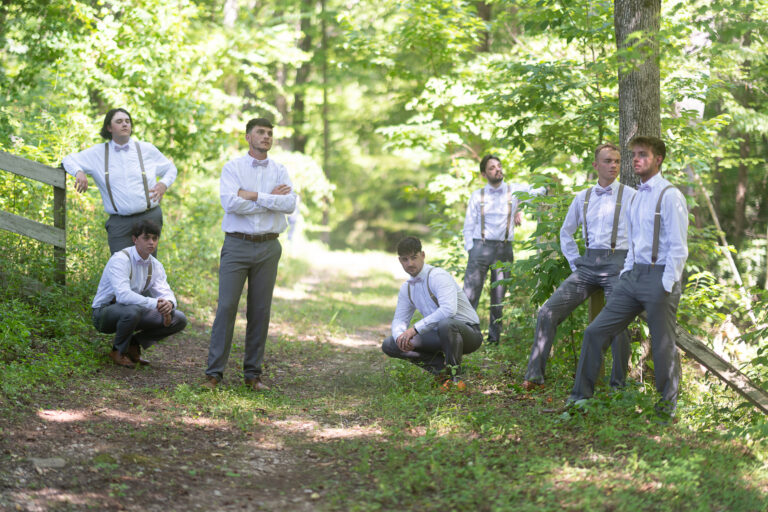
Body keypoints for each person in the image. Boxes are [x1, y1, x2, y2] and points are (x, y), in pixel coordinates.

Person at [568, 136, 688, 422]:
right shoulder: (636, 196)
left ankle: (665, 411)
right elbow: (634, 243)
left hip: (660, 277)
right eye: (633, 154)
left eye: (642, 154)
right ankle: (580, 399)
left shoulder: (670, 195)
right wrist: (625, 276)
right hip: (632, 277)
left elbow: (678, 247)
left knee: (662, 346)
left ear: (658, 159)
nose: (635, 159)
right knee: (595, 332)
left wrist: (666, 284)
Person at [523, 143, 635, 390]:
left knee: (619, 322)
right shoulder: (583, 197)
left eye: (616, 161)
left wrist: (628, 267)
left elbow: (642, 235)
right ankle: (534, 377)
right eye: (607, 161)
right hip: (587, 265)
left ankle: (618, 386)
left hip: (618, 265)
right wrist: (575, 263)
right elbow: (566, 232)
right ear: (596, 165)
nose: (613, 165)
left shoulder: (631, 196)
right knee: (547, 312)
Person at [203, 118, 296, 391]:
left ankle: (252, 375)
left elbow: (289, 204)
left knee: (260, 311)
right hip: (236, 245)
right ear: (248, 137)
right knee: (227, 307)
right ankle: (214, 373)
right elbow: (230, 203)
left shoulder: (280, 169)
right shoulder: (232, 168)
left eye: (269, 133)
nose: (266, 137)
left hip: (269, 247)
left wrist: (254, 196)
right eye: (260, 132)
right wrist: (269, 199)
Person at [62, 108, 178, 254]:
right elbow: (68, 160)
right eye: (119, 121)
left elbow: (171, 169)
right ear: (109, 128)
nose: (125, 124)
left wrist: (163, 184)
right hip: (119, 223)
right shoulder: (97, 153)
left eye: (127, 121)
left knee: (147, 267)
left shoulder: (146, 149)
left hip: (149, 217)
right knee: (120, 267)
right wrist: (78, 172)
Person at [462, 155, 546, 344]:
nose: (497, 169)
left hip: (504, 248)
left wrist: (520, 207)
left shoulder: (514, 190)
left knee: (499, 297)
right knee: (469, 294)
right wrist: (471, 249)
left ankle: (494, 340)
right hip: (480, 247)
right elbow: (468, 225)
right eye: (492, 168)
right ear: (484, 174)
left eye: (499, 166)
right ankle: (465, 336)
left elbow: (540, 191)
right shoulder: (477, 195)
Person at [381, 236, 483, 389]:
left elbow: (449, 310)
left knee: (446, 324)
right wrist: (400, 337)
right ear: (400, 261)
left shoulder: (438, 276)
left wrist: (414, 330)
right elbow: (399, 320)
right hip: (438, 335)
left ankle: (455, 378)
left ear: (422, 255)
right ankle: (441, 371)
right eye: (405, 259)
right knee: (390, 344)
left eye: (414, 258)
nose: (410, 263)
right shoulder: (407, 288)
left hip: (467, 333)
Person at [91, 220, 187, 368]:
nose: (151, 243)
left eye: (154, 238)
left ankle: (134, 344)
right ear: (135, 239)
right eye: (146, 238)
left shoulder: (155, 265)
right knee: (133, 310)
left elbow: (166, 292)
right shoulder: (121, 259)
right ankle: (117, 351)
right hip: (104, 313)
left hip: (131, 312)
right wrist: (155, 303)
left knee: (178, 318)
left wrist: (169, 304)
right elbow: (123, 295)